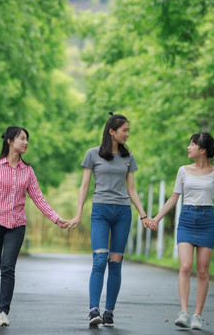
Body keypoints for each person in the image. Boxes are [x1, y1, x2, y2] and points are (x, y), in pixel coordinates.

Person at [0, 126, 67, 327]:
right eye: (22, 138)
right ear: (10, 141)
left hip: (16, 225)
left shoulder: (28, 171)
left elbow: (39, 198)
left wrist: (56, 218)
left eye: (27, 139)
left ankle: (4, 311)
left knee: (8, 267)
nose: (26, 142)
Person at [66, 112, 153, 327]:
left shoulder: (128, 157)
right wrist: (78, 214)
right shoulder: (93, 155)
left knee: (115, 264)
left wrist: (143, 215)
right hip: (101, 211)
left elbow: (131, 188)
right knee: (99, 260)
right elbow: (84, 186)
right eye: (124, 130)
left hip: (123, 212)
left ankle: (109, 312)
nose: (127, 134)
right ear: (111, 132)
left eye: (128, 130)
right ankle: (93, 309)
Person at [150, 132, 214, 330]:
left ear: (203, 150)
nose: (188, 148)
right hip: (186, 219)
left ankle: (197, 315)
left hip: (207, 221)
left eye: (192, 144)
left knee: (202, 271)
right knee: (185, 266)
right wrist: (156, 218)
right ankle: (183, 312)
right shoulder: (183, 171)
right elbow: (174, 198)